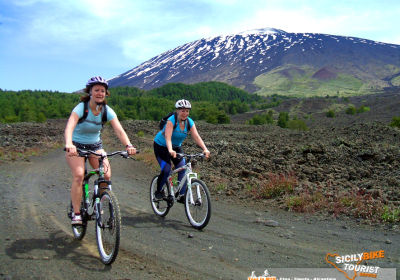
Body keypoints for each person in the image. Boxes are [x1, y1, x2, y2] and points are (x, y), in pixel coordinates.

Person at [64, 76, 137, 225]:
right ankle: (77, 213)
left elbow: (119, 131)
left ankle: (100, 202)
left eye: (102, 91)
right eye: (96, 90)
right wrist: (69, 144)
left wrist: (128, 145)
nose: (99, 93)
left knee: (106, 174)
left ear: (106, 94)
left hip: (95, 146)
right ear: (90, 91)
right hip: (76, 146)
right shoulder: (81, 108)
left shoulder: (106, 110)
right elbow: (69, 127)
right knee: (79, 175)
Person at [153, 99, 210, 202]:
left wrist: (205, 149)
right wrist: (170, 149)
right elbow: (168, 137)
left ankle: (182, 194)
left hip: (176, 147)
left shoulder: (189, 122)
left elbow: (196, 137)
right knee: (166, 170)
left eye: (187, 111)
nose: (185, 113)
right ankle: (159, 190)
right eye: (182, 110)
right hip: (161, 145)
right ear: (177, 111)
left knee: (182, 168)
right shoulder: (172, 121)